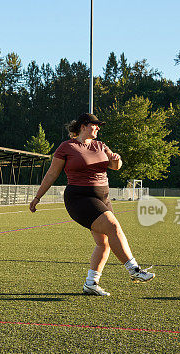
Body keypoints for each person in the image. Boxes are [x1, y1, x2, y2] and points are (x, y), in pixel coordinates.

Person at [29, 113, 154, 296]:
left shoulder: (101, 146)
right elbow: (52, 174)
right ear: (84, 126)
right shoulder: (67, 147)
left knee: (104, 243)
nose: (98, 128)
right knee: (113, 226)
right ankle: (134, 270)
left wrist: (117, 159)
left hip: (102, 198)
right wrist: (37, 197)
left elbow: (115, 166)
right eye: (95, 125)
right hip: (79, 198)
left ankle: (91, 283)